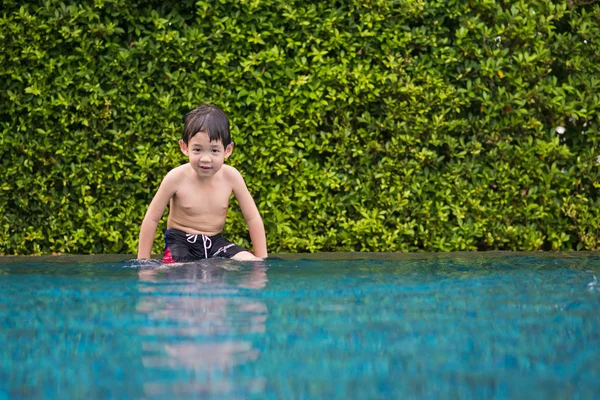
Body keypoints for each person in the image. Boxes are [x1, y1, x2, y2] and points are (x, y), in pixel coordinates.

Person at [137, 104, 267, 262]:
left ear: (227, 150)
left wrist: (262, 260)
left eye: (214, 150)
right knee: (178, 269)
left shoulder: (232, 177)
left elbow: (252, 217)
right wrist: (142, 262)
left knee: (250, 260)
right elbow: (151, 219)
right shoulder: (175, 177)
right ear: (185, 147)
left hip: (215, 242)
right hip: (181, 242)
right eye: (197, 150)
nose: (206, 159)